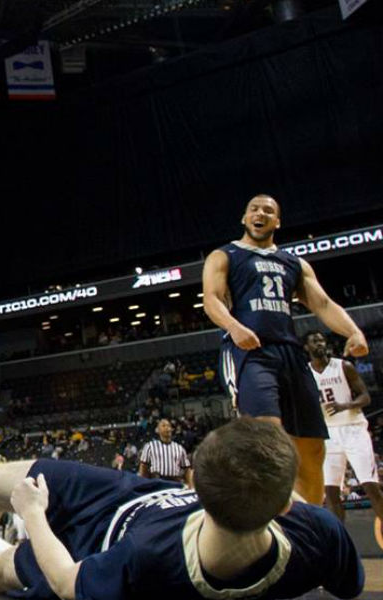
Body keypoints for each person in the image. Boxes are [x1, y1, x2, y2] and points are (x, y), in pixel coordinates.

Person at [0, 418, 364, 600]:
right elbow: (350, 587)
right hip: (123, 495)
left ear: (194, 482)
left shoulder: (153, 554)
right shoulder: (319, 533)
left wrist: (34, 514)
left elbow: (68, 583)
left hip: (94, 543)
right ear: (283, 505)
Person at [202, 194, 368, 504]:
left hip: (290, 354)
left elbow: (322, 303)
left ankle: (315, 522)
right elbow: (210, 299)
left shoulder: (294, 263)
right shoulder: (224, 255)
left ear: (277, 222)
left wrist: (354, 331)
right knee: (267, 437)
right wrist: (235, 328)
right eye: (254, 208)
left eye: (268, 210)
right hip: (250, 353)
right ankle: (274, 517)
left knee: (312, 447)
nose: (260, 213)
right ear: (244, 218)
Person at [304, 330, 383, 522]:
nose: (320, 344)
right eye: (315, 341)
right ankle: (341, 542)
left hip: (353, 429)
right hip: (327, 433)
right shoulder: (304, 373)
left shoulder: (344, 366)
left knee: (370, 485)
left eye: (322, 340)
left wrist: (345, 406)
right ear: (306, 348)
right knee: (330, 492)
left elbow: (365, 397)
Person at [137, 418, 192, 485]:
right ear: (157, 430)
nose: (167, 428)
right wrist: (142, 484)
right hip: (157, 482)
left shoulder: (179, 448)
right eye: (163, 425)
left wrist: (190, 485)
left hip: (175, 482)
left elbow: (187, 468)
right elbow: (143, 466)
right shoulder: (150, 446)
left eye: (169, 426)